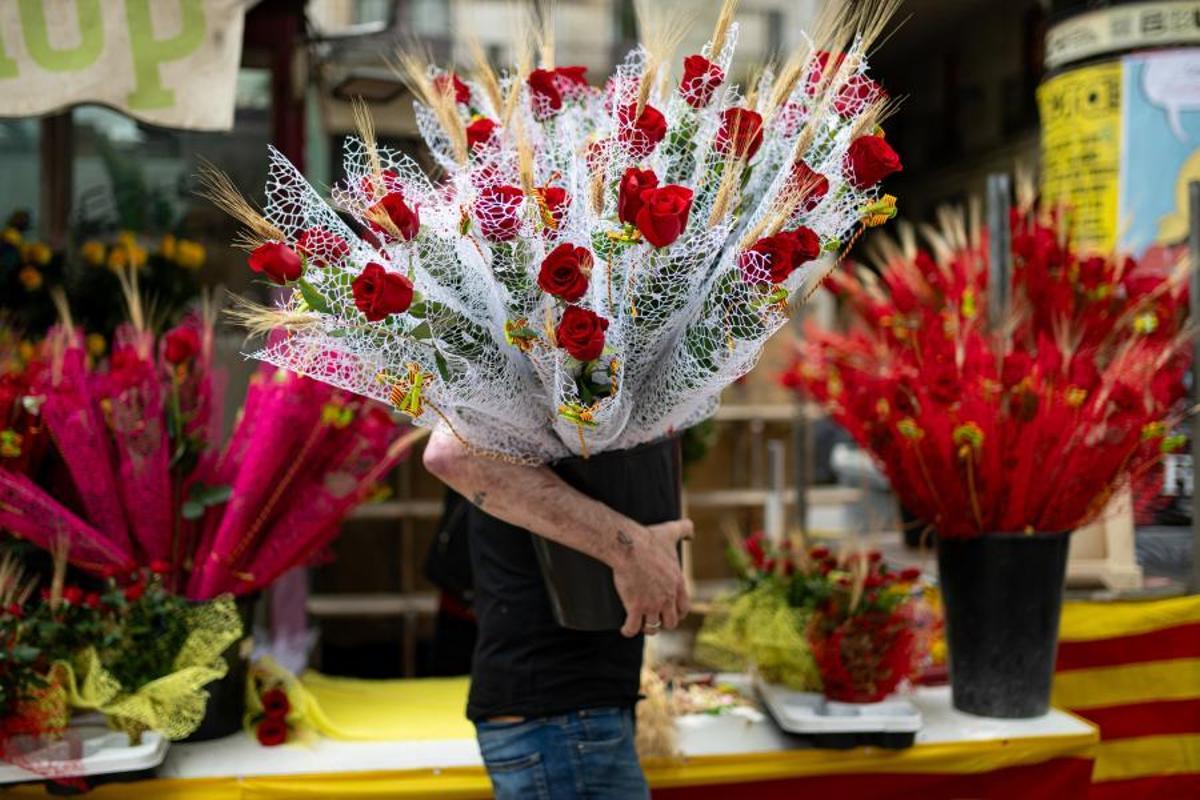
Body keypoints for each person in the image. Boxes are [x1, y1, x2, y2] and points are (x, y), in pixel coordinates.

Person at [423, 429, 693, 800]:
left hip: (574, 716)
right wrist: (633, 550)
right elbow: (453, 455)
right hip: (561, 720)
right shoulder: (521, 372)